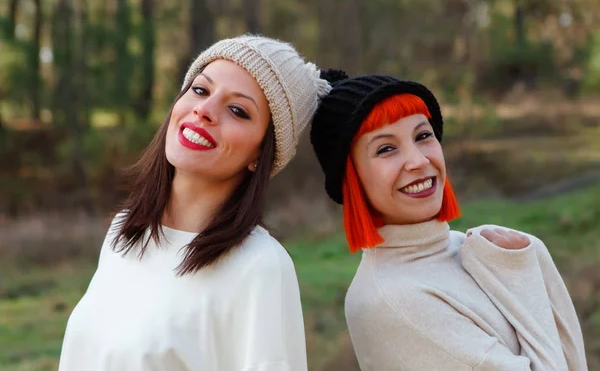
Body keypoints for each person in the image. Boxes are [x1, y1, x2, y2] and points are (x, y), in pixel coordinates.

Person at [58, 35, 332, 371]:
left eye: (238, 110)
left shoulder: (259, 267)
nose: (204, 110)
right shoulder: (124, 232)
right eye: (200, 90)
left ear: (261, 154)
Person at [310, 70, 587, 370]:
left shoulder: (478, 251)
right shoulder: (392, 300)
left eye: (423, 136)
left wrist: (533, 255)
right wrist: (522, 274)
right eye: (386, 148)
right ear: (352, 180)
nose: (418, 161)